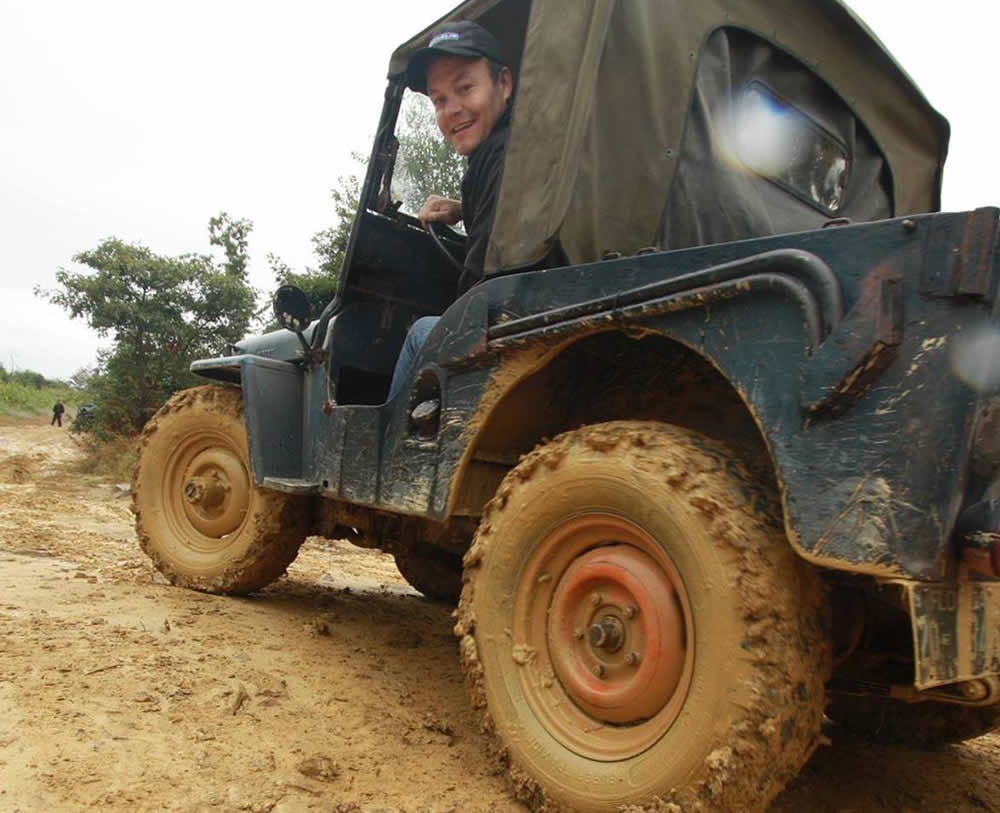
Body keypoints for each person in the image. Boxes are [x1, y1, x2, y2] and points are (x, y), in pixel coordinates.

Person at [387, 21, 513, 401]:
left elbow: (482, 282)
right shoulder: (511, 148)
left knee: (421, 332)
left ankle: (387, 458)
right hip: (529, 311)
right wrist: (462, 210)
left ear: (503, 84)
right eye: (439, 100)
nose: (452, 110)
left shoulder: (500, 156)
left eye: (465, 88)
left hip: (508, 323)